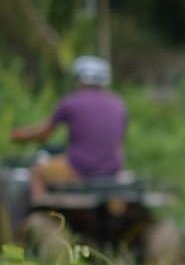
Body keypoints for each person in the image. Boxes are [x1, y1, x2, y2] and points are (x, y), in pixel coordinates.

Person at [10, 56, 127, 202]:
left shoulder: (71, 102)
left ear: (80, 79)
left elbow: (44, 133)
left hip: (79, 169)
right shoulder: (118, 104)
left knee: (37, 173)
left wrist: (17, 135)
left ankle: (42, 213)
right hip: (112, 170)